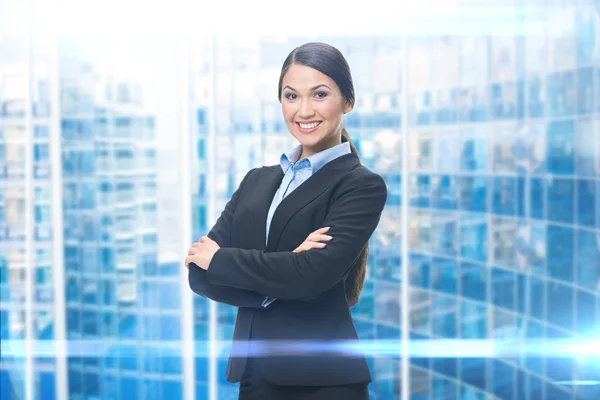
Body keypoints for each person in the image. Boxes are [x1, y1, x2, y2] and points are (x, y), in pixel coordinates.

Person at [185, 42, 387, 400]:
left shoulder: (360, 186)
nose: (304, 110)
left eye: (320, 94)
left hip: (324, 383)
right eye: (291, 96)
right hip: (253, 375)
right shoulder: (256, 181)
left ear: (347, 102)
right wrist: (286, 268)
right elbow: (198, 275)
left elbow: (311, 278)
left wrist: (222, 261)